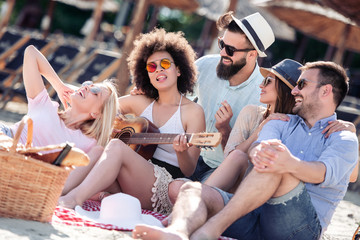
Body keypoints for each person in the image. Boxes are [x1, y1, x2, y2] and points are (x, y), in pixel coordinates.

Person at [132, 61, 359, 240]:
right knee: (195, 190)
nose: (293, 91)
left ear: (325, 91)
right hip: (254, 216)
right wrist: (273, 156)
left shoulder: (344, 138)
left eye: (302, 85)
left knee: (274, 162)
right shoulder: (279, 122)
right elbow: (257, 152)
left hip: (299, 229)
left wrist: (289, 164)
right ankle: (177, 232)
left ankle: (209, 230)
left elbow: (321, 172)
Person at [58, 28, 205, 215]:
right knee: (97, 151)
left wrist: (181, 152)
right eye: (151, 67)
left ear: (178, 69)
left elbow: (189, 169)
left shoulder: (193, 112)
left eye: (165, 63)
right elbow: (100, 106)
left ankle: (74, 199)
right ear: (148, 76)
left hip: (162, 187)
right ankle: (58, 190)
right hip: (127, 180)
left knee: (117, 147)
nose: (158, 69)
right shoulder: (139, 102)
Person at [204, 59, 358, 193]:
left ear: (285, 88)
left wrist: (349, 130)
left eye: (267, 81)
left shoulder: (299, 121)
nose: (260, 85)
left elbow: (350, 176)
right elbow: (231, 159)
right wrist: (260, 128)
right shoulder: (253, 113)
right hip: (240, 182)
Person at [189, 11, 275, 182]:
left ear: (252, 55)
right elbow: (175, 100)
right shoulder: (205, 65)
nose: (222, 53)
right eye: (222, 44)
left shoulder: (263, 96)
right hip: (186, 156)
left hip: (221, 172)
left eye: (230, 50)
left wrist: (225, 130)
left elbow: (244, 159)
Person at [0, 45, 118, 151]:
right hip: (5, 137)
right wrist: (59, 86)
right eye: (88, 84)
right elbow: (31, 53)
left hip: (23, 163)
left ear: (97, 113)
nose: (87, 87)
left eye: (95, 91)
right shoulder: (46, 105)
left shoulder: (88, 143)